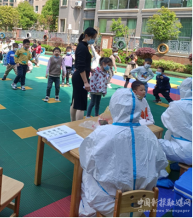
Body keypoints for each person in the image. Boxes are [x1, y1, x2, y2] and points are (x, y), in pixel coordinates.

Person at [79, 88, 168, 216]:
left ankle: (86, 212)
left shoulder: (103, 133)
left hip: (110, 204)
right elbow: (161, 163)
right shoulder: (149, 134)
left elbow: (87, 162)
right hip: (143, 202)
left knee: (86, 174)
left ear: (113, 107)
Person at [159, 78, 192, 165]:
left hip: (185, 151)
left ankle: (161, 172)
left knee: (154, 144)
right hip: (186, 149)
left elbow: (165, 120)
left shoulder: (177, 105)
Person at [70, 27, 97, 121]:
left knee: (75, 102)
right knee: (80, 105)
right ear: (86, 36)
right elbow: (81, 66)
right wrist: (86, 82)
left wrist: (89, 69)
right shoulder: (82, 47)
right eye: (93, 37)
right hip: (80, 77)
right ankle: (76, 125)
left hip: (79, 76)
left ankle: (73, 123)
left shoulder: (83, 46)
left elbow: (82, 62)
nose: (94, 40)